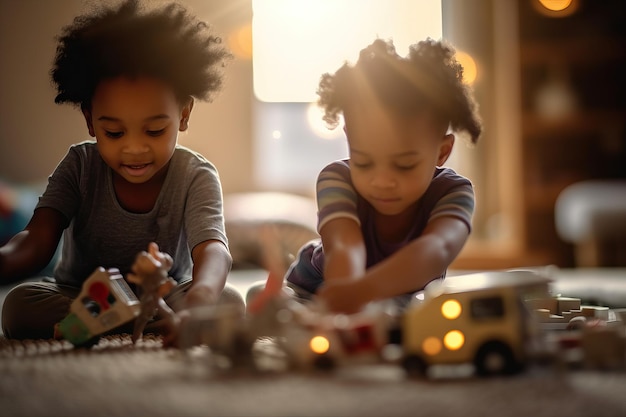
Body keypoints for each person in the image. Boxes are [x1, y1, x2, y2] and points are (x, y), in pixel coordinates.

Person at [0, 0, 244, 343]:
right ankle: (133, 326)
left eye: (154, 131)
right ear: (89, 119)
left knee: (229, 300)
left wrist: (201, 300)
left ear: (184, 114)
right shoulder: (80, 165)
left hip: (164, 297)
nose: (134, 149)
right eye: (114, 133)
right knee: (18, 305)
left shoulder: (196, 175)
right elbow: (38, 241)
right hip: (81, 297)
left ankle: (116, 327)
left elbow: (214, 251)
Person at [250, 38, 482, 315]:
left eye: (404, 165)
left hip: (404, 302)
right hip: (317, 289)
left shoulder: (453, 192)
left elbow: (438, 247)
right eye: (363, 162)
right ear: (349, 139)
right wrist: (349, 295)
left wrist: (364, 292)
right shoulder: (337, 179)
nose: (382, 181)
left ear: (442, 152)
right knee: (268, 304)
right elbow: (344, 245)